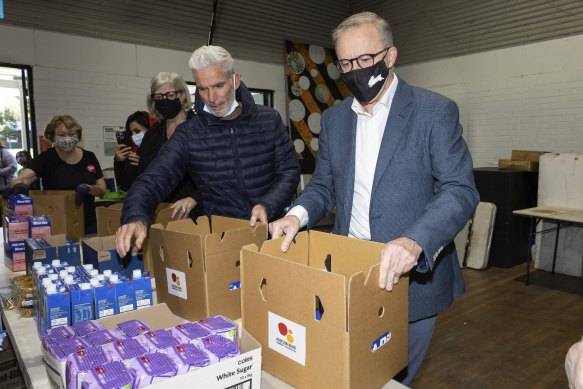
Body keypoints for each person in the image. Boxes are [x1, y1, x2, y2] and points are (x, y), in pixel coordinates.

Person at [269, 12, 479, 386]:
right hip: (348, 273)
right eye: (346, 63)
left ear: (391, 55)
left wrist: (416, 240)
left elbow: (460, 190)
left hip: (412, 283)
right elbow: (323, 186)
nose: (355, 71)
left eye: (365, 60)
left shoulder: (433, 112)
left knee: (391, 380)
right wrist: (296, 216)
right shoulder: (335, 120)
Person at [115, 45, 300, 257]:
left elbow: (289, 171)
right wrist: (135, 216)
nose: (211, 97)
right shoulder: (190, 134)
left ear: (235, 80)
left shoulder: (268, 120)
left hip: (277, 233)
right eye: (203, 89)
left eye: (219, 85)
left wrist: (268, 204)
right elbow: (154, 178)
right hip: (226, 239)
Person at [8, 115, 107, 234]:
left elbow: (102, 189)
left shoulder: (89, 157)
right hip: (57, 223)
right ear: (53, 137)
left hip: (88, 223)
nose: (68, 138)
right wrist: (19, 185)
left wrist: (89, 188)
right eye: (61, 135)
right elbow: (21, 179)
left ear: (78, 135)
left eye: (71, 134)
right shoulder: (46, 159)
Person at [139, 72, 201, 220]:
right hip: (160, 214)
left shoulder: (201, 129)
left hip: (196, 215)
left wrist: (195, 198)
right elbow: (141, 177)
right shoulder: (152, 135)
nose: (164, 100)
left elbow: (218, 175)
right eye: (159, 97)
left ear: (183, 95)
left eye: (171, 95)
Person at [113, 111, 152, 192]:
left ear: (151, 129)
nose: (133, 136)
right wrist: (118, 163)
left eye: (137, 131)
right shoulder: (133, 154)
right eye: (131, 133)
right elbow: (125, 186)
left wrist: (145, 165)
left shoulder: (163, 150)